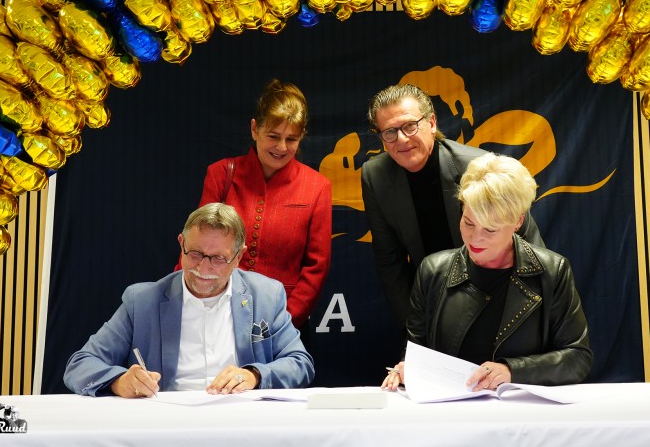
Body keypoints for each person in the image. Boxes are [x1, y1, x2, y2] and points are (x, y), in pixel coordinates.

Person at [382, 153, 592, 391]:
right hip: (451, 412)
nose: (476, 238)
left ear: (518, 221)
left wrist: (512, 371)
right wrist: (405, 368)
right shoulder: (433, 271)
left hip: (522, 416)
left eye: (491, 229)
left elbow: (577, 358)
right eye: (468, 223)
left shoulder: (552, 272)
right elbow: (415, 350)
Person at [64, 203, 314, 397]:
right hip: (167, 427)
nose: (203, 268)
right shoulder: (141, 301)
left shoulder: (266, 295)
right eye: (195, 254)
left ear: (239, 257)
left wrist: (254, 375)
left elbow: (300, 364)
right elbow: (80, 365)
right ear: (181, 244)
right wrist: (119, 382)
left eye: (218, 258)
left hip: (242, 422)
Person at [361, 83, 544, 330]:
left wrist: (520, 322)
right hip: (432, 301)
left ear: (432, 123)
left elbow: (528, 246)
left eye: (409, 126)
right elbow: (390, 263)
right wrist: (416, 330)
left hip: (497, 296)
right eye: (389, 132)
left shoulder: (478, 166)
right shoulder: (375, 176)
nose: (401, 139)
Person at [182, 79, 332, 332]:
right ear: (254, 129)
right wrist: (188, 306)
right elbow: (194, 248)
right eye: (273, 136)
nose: (282, 147)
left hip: (283, 321)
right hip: (214, 315)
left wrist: (282, 323)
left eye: (291, 139)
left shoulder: (317, 187)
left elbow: (316, 267)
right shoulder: (221, 174)